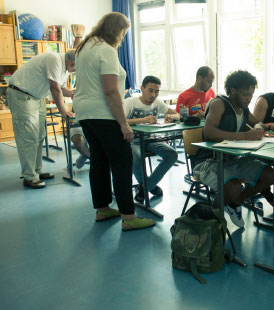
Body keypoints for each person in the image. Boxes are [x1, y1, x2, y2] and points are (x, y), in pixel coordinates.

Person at [73, 12, 154, 231]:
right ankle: (129, 216)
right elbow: (110, 91)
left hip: (85, 112)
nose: (124, 37)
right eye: (123, 32)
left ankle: (102, 208)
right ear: (115, 30)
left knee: (99, 159)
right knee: (122, 160)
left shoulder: (86, 47)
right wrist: (123, 123)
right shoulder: (106, 50)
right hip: (103, 112)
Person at [192, 70, 274, 228]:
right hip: (209, 161)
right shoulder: (219, 104)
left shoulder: (243, 107)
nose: (249, 99)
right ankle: (213, 223)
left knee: (269, 175)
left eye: (251, 94)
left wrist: (258, 128)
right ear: (232, 91)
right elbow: (209, 133)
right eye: (246, 94)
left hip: (233, 159)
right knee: (233, 186)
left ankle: (237, 201)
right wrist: (245, 136)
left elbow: (257, 122)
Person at [6, 50, 76, 189]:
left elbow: (61, 88)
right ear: (72, 63)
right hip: (21, 95)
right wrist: (63, 111)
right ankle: (29, 176)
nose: (76, 71)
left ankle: (37, 171)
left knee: (39, 136)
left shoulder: (64, 68)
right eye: (76, 68)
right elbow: (54, 88)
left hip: (37, 98)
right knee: (28, 137)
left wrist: (73, 92)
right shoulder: (54, 59)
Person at [124, 75, 180, 203]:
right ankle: (151, 186)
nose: (153, 95)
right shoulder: (130, 102)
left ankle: (145, 188)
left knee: (172, 154)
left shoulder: (157, 102)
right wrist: (142, 120)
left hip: (150, 140)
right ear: (142, 89)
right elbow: (121, 121)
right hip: (132, 141)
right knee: (136, 157)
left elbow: (177, 114)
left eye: (156, 91)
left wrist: (172, 117)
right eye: (150, 90)